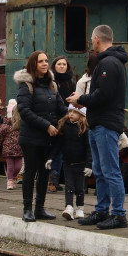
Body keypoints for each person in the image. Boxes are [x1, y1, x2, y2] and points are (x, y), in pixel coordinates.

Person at [67, 26, 128, 230]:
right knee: (100, 170)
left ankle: (119, 215)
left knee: (110, 170)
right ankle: (102, 211)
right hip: (99, 123)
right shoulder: (108, 61)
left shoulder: (108, 63)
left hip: (106, 124)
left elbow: (104, 95)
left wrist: (80, 99)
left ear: (96, 40)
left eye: (91, 40)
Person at [16, 50, 67, 222]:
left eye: (46, 60)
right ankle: (27, 209)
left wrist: (74, 114)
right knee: (30, 172)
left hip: (48, 138)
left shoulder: (52, 85)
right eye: (41, 61)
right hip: (31, 137)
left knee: (45, 172)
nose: (45, 64)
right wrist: (46, 126)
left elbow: (61, 108)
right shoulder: (26, 85)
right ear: (33, 64)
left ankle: (39, 208)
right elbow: (24, 111)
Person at [51, 105, 91, 220]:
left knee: (80, 188)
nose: (71, 114)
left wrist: (89, 165)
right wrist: (51, 158)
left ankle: (80, 208)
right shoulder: (64, 127)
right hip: (68, 162)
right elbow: (58, 144)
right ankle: (68, 207)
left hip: (81, 163)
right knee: (69, 186)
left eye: (75, 112)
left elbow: (89, 148)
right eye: (70, 112)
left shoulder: (85, 129)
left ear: (82, 115)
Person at [48, 56, 75, 193]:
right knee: (55, 150)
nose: (62, 66)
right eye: (59, 64)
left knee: (65, 151)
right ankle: (53, 178)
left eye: (64, 64)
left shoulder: (71, 83)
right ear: (54, 66)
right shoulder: (51, 82)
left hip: (68, 118)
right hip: (54, 119)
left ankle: (57, 178)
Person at [0, 99, 24, 190]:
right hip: (8, 149)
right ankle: (9, 180)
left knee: (18, 167)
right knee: (10, 166)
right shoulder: (5, 126)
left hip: (19, 149)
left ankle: (14, 177)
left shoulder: (20, 125)